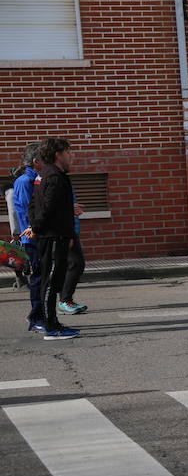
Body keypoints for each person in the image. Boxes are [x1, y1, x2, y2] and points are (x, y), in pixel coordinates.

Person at [29, 138, 81, 340]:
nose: (71, 156)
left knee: (49, 280)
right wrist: (38, 228)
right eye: (68, 152)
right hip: (53, 237)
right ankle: (51, 326)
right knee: (52, 280)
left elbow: (34, 205)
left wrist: (36, 227)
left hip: (51, 235)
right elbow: (48, 208)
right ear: (58, 154)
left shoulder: (43, 174)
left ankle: (52, 322)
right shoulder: (56, 177)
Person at [11, 144, 42, 301]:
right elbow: (26, 209)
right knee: (38, 276)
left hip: (38, 233)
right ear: (36, 161)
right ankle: (37, 314)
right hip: (32, 235)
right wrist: (33, 227)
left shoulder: (35, 179)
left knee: (41, 275)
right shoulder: (25, 181)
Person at [56, 176, 87, 315]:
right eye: (67, 152)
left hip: (70, 228)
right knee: (76, 263)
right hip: (64, 230)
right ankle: (64, 300)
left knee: (71, 264)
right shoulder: (52, 177)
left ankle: (65, 300)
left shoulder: (61, 177)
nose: (70, 156)